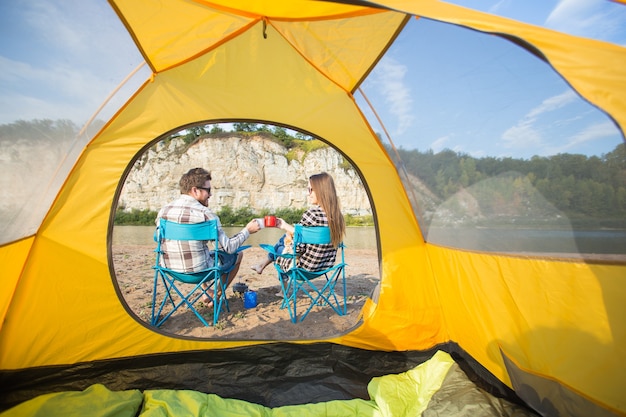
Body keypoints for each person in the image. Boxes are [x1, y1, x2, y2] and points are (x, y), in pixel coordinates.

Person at [156, 167, 261, 306]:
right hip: (199, 272)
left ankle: (207, 291)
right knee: (237, 255)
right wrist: (247, 230)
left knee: (200, 251)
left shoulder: (164, 211)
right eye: (208, 190)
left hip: (169, 270)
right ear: (195, 190)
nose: (210, 195)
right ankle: (216, 294)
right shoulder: (206, 214)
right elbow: (228, 248)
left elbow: (158, 239)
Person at [251, 172, 346, 275]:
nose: (307, 193)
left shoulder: (312, 214)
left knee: (280, 247)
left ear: (320, 191)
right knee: (285, 238)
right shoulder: (338, 217)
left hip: (303, 268)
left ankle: (282, 286)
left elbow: (298, 248)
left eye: (310, 190)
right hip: (325, 266)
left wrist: (285, 228)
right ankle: (261, 265)